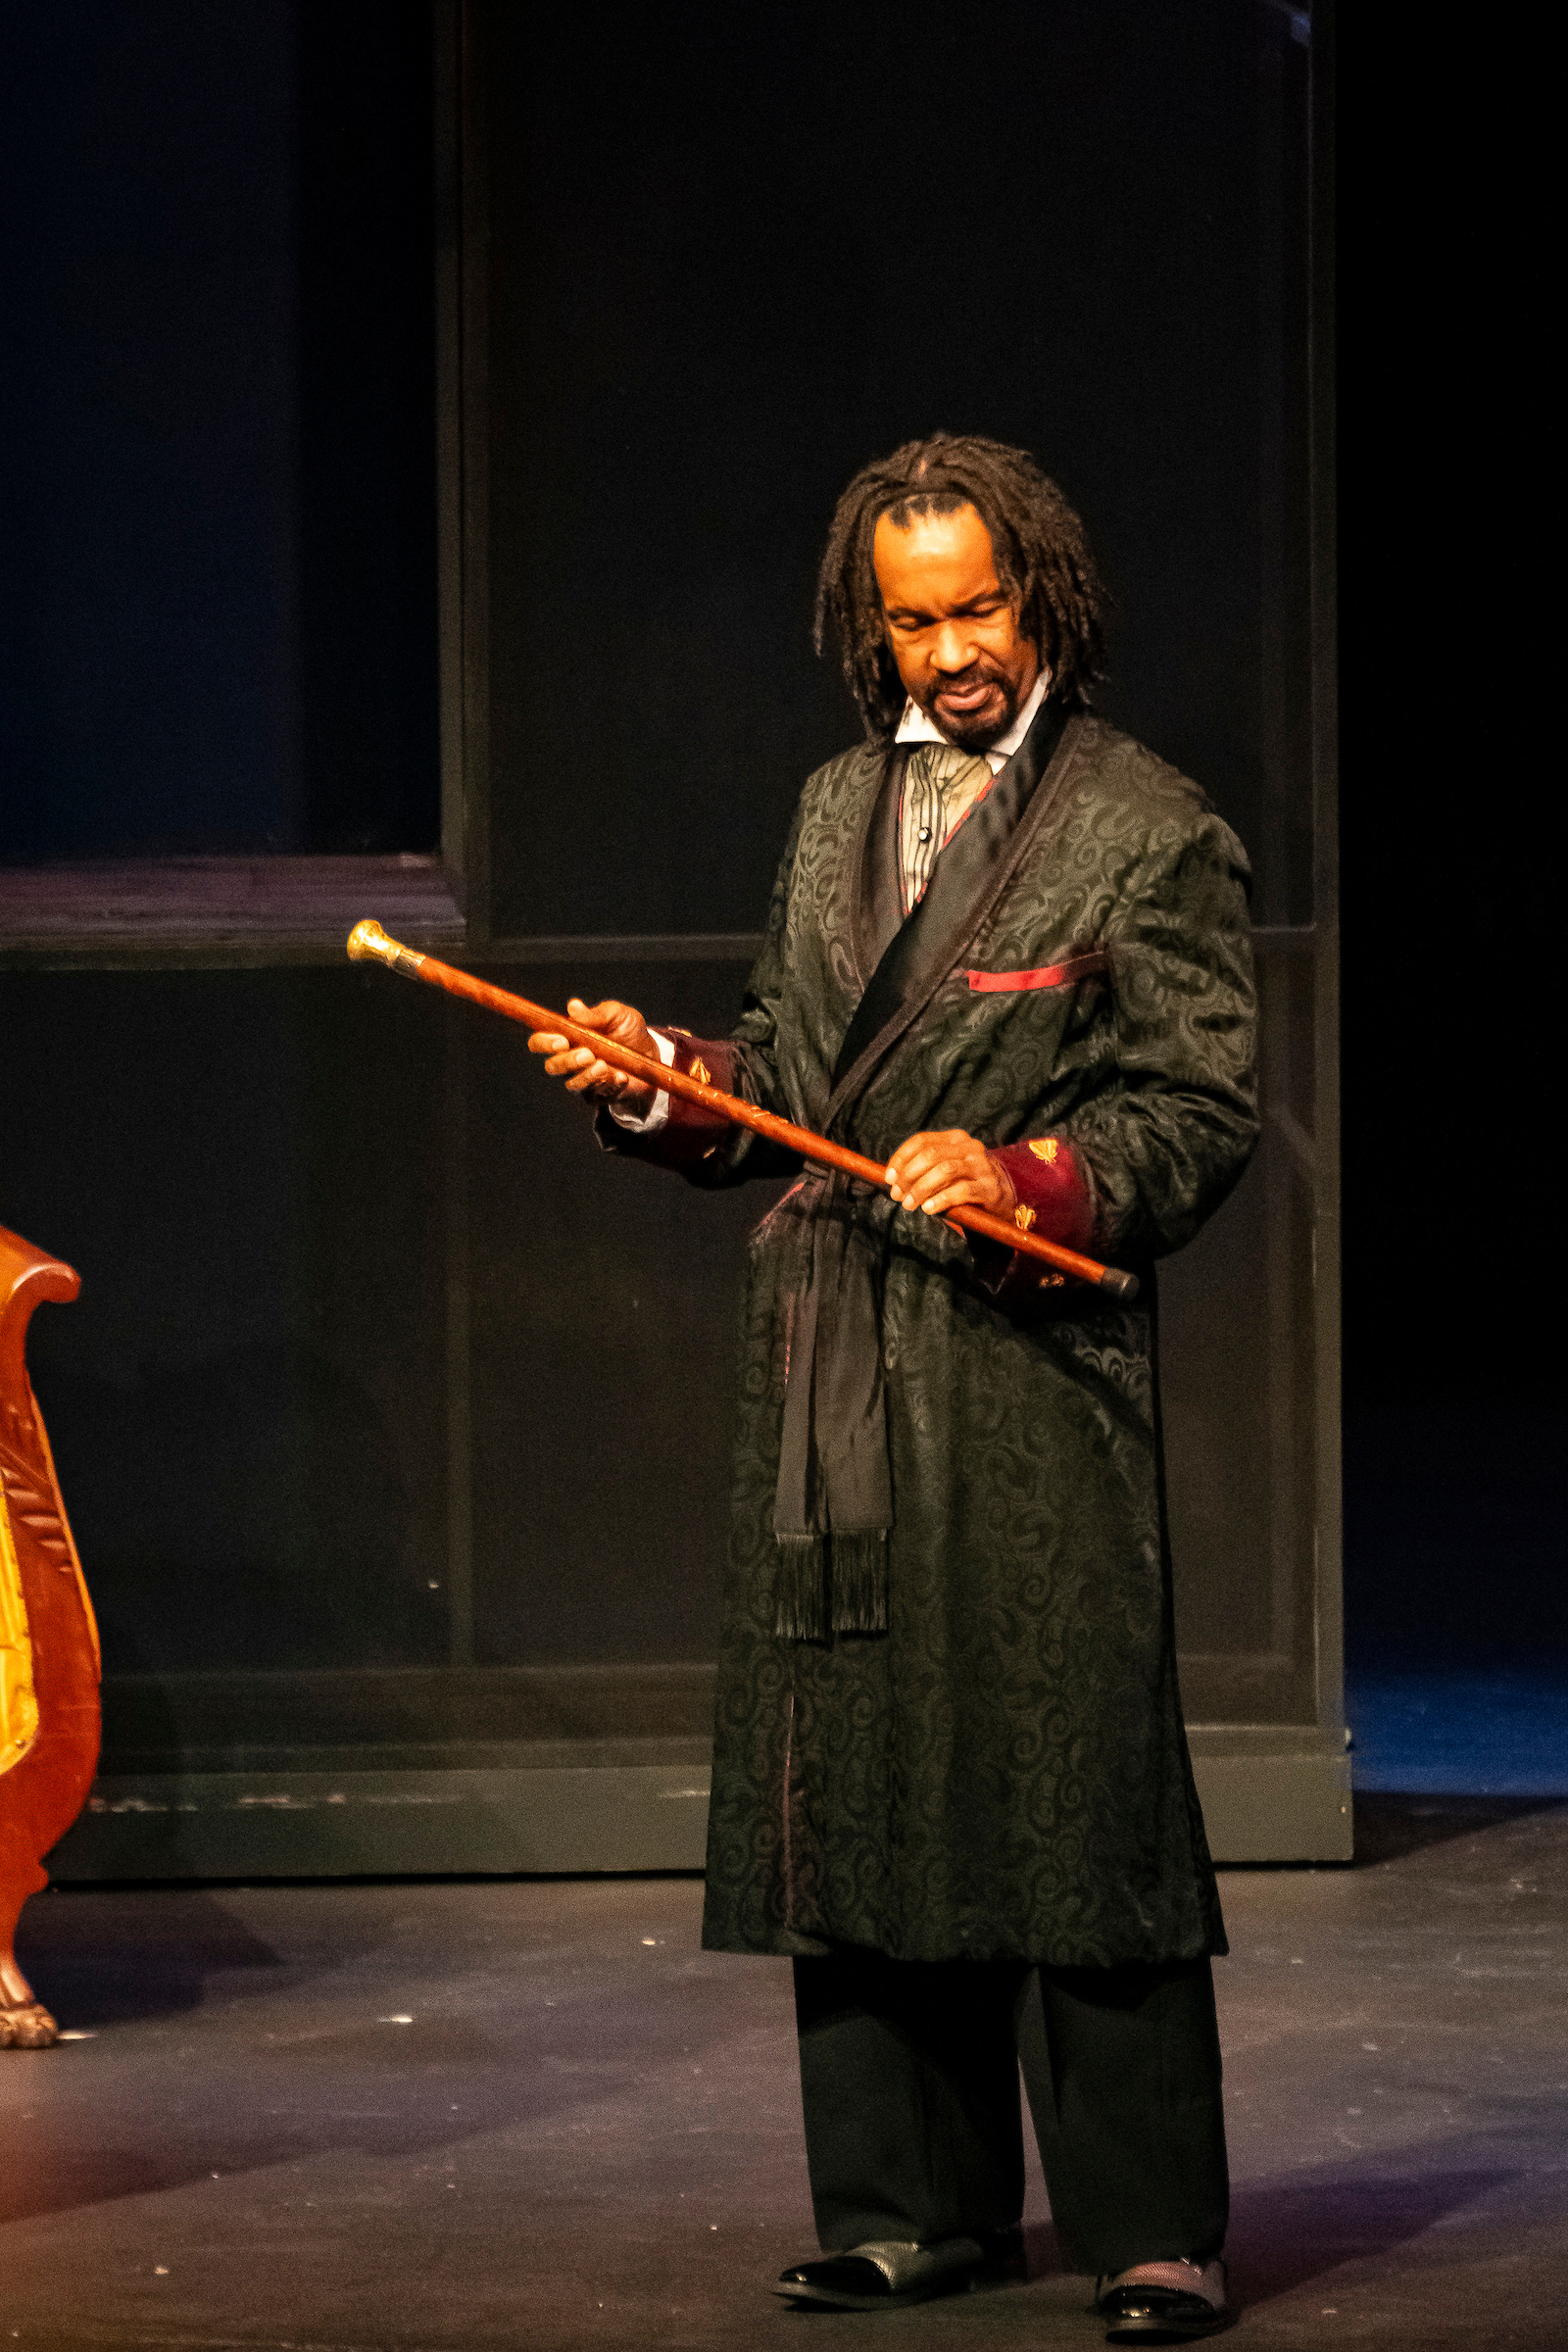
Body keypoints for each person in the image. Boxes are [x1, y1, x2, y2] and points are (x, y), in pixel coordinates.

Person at [531, 433, 1257, 2343]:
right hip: (833, 1365)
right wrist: (663, 1080)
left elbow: (1195, 1115)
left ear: (1044, 597)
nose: (952, 652)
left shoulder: (1143, 826)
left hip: (1027, 1374)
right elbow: (788, 1066)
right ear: (871, 626)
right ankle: (904, 2209)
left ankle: (1149, 2229)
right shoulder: (832, 806)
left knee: (1066, 1781)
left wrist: (1023, 1177)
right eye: (914, 620)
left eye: (979, 609)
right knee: (851, 1774)